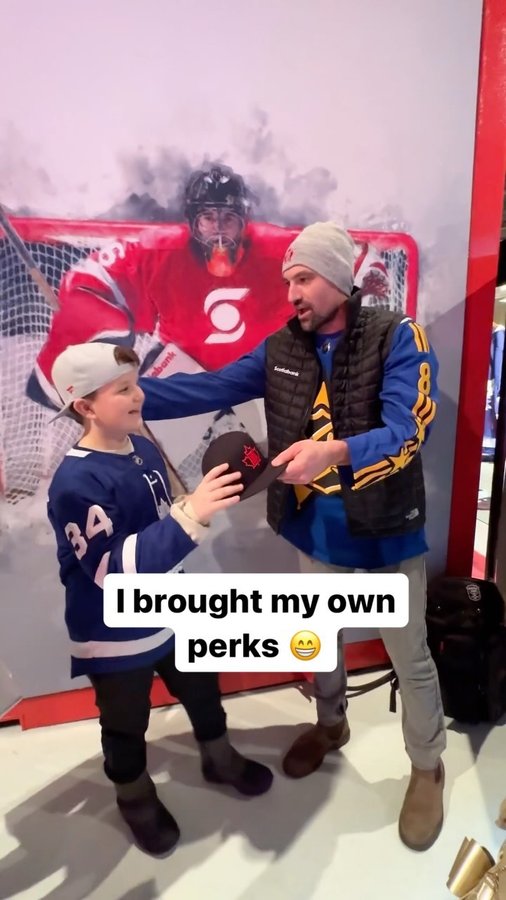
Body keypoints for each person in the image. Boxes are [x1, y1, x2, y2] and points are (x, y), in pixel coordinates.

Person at [137, 221, 446, 852]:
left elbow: (407, 431)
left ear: (337, 277)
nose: (292, 293)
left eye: (302, 279)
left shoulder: (397, 337)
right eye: (288, 281)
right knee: (321, 640)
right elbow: (212, 386)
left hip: (386, 531)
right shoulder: (281, 345)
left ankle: (427, 765)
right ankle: (331, 725)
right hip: (314, 529)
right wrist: (125, 395)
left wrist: (331, 453)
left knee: (409, 658)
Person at [46, 341, 273, 857]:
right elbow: (112, 570)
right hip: (113, 631)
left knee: (202, 689)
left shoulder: (142, 446)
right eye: (122, 389)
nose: (139, 396)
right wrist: (191, 514)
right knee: (125, 721)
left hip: (170, 609)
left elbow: (159, 519)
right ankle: (134, 794)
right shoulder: (75, 481)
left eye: (136, 384)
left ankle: (217, 755)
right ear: (84, 405)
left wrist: (189, 507)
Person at [26, 165, 389, 413]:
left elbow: (351, 253)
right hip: (184, 370)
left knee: (274, 456)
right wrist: (96, 329)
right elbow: (88, 278)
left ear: (244, 221)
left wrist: (370, 272)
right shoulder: (160, 250)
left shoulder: (277, 246)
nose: (218, 229)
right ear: (192, 221)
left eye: (228, 218)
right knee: (139, 417)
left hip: (259, 373)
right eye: (208, 218)